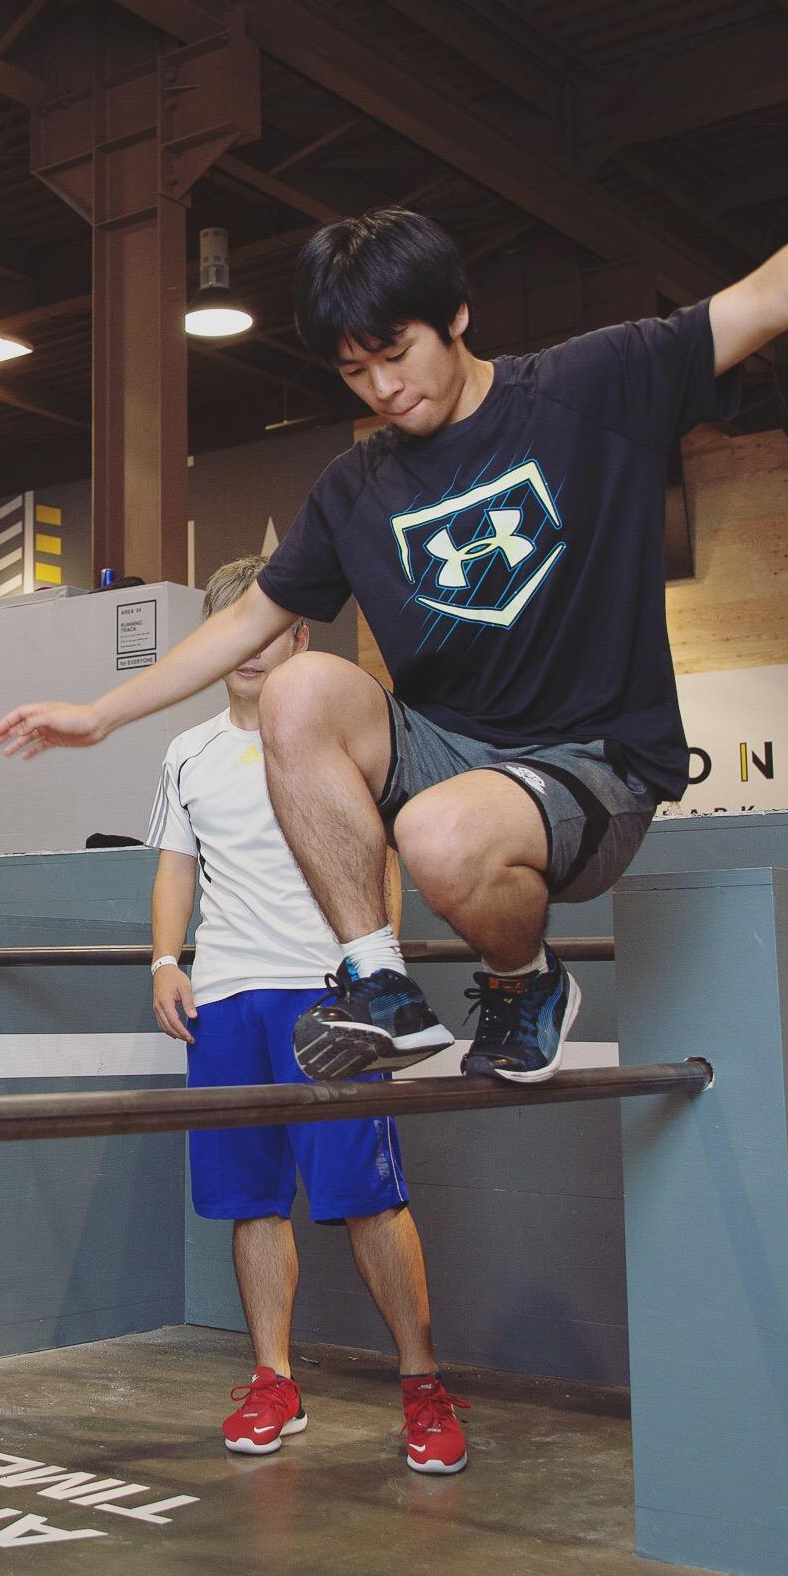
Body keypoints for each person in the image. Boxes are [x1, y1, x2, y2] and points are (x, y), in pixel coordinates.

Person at [0, 154, 788, 1087]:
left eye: (397, 353)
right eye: (355, 370)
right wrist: (104, 714)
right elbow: (249, 621)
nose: (382, 389)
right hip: (450, 749)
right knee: (295, 689)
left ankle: (526, 986)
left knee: (441, 835)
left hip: (594, 765)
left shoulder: (591, 386)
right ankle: (382, 986)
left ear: (457, 316)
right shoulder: (355, 487)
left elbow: (769, 299)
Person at [150, 554, 466, 1473]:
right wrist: (167, 960)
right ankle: (273, 1379)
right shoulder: (186, 754)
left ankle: (423, 1385)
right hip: (226, 1001)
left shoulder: (338, 734)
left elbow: (385, 855)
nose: (251, 650)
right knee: (252, 1203)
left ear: (300, 638)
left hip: (329, 993)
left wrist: (377, 973)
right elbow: (175, 865)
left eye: (269, 630)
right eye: (235, 632)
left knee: (371, 1199)